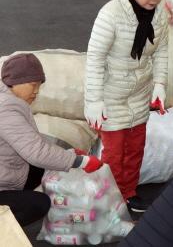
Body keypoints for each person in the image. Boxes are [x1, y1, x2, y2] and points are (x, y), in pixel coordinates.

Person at [84, 0, 169, 213]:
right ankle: (110, 200)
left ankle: (129, 193)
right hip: (111, 95)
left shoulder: (159, 15)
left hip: (139, 93)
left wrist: (160, 84)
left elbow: (161, 50)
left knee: (135, 150)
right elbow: (95, 58)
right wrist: (93, 100)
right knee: (114, 154)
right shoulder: (111, 15)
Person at [0, 53, 102, 226]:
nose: (36, 91)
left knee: (48, 169)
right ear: (15, 82)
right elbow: (36, 152)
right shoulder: (6, 109)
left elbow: (31, 142)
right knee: (38, 204)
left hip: (5, 171)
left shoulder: (9, 101)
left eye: (39, 86)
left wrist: (66, 154)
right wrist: (79, 162)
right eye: (33, 85)